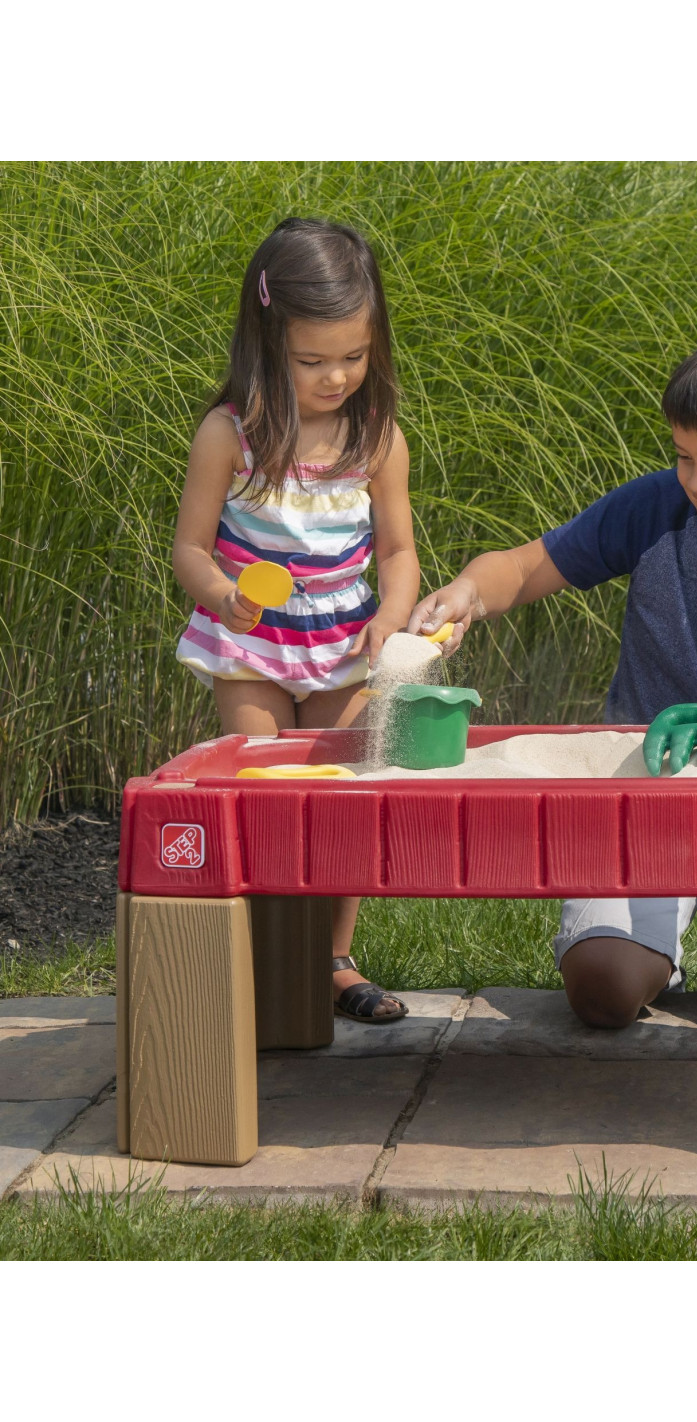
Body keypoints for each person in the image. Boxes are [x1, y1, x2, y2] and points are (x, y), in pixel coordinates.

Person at [408, 318, 697, 1036]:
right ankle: (658, 953)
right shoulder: (658, 507)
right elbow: (525, 566)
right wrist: (471, 591)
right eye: (684, 457)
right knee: (603, 990)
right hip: (642, 794)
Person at [173, 217, 417, 1023]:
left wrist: (393, 617)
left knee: (342, 800)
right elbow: (189, 549)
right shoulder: (230, 435)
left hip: (344, 645)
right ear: (268, 338)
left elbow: (399, 552)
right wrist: (222, 595)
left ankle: (336, 959)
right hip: (251, 647)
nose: (336, 376)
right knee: (265, 794)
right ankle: (269, 957)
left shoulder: (376, 439)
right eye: (313, 361)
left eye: (355, 357)